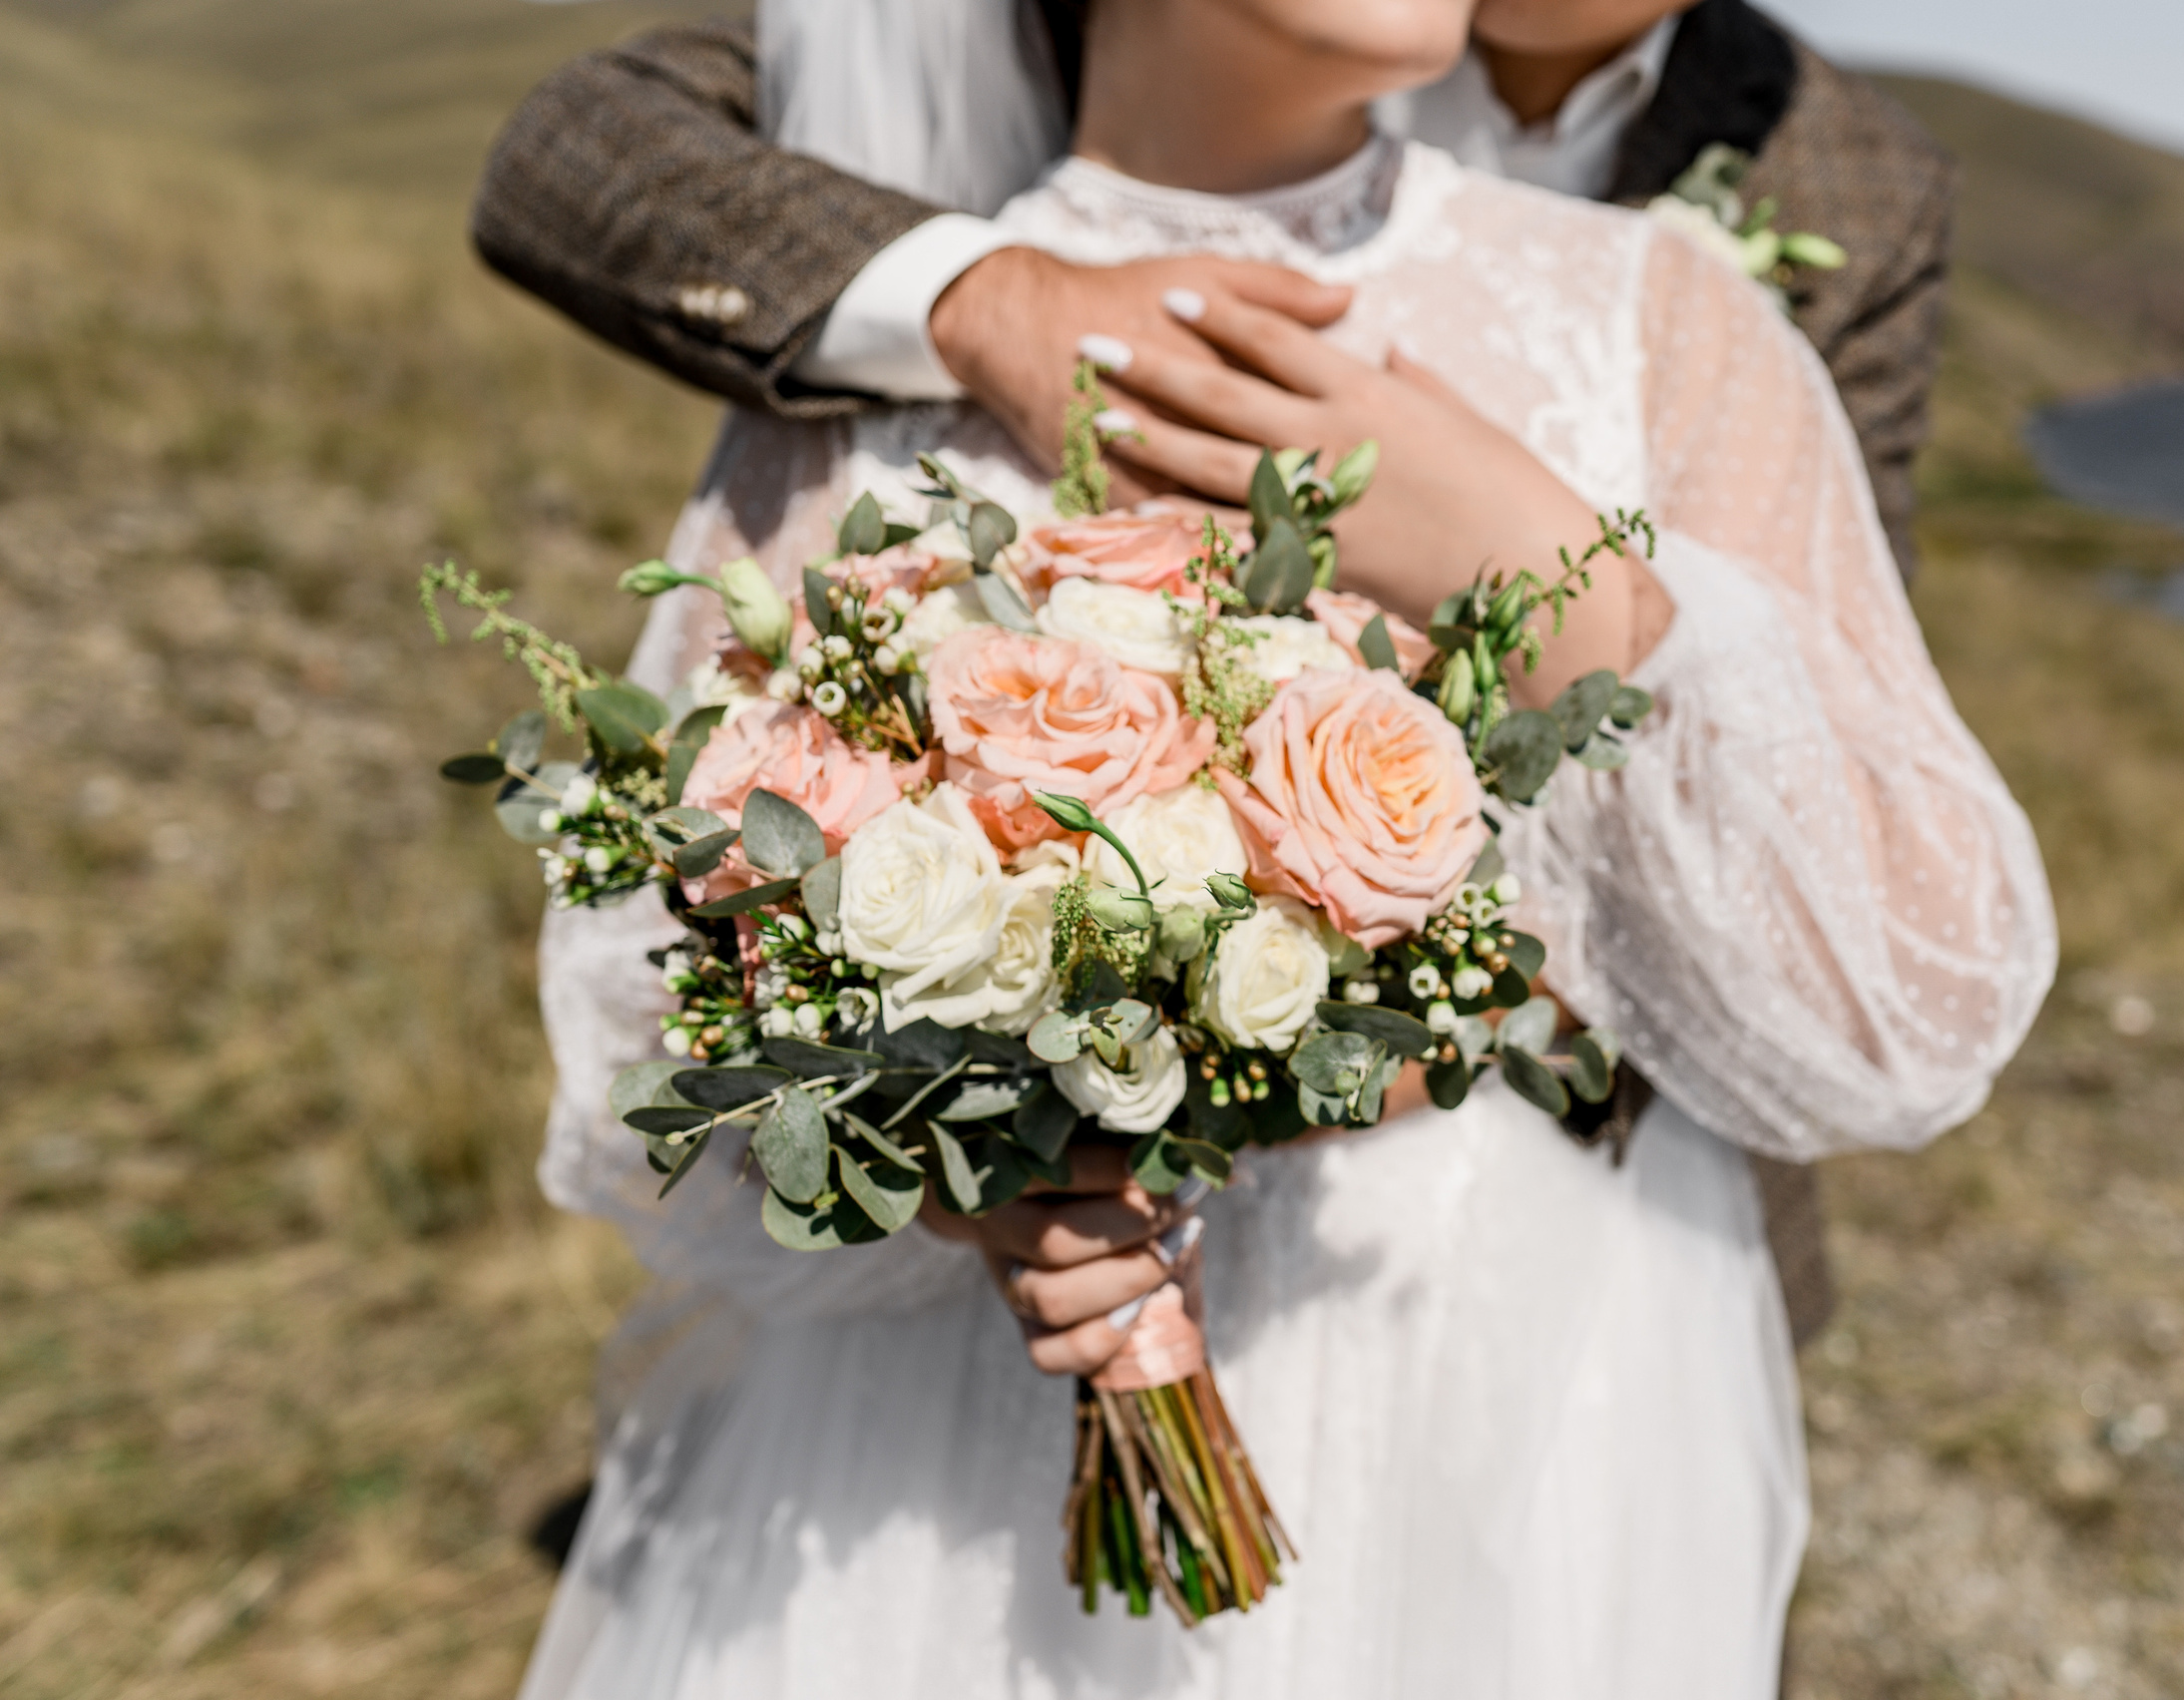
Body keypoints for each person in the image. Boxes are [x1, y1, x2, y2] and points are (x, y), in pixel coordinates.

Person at [517, 0, 2052, 1694]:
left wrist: (1542, 563)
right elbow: (665, 1008)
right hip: (953, 1440)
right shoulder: (905, 358)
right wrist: (961, 1164)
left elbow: (1907, 998)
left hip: (1516, 1368)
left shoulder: (1664, 316)